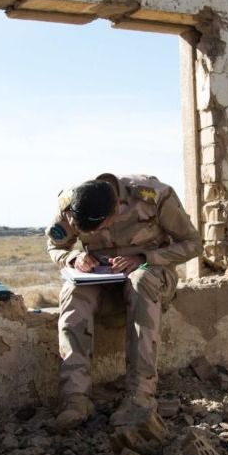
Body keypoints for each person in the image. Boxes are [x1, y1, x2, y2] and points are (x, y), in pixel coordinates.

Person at [46, 173, 202, 431]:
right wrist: (74, 259)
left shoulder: (154, 196)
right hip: (101, 279)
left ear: (117, 208)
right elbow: (55, 246)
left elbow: (193, 244)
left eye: (100, 227)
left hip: (150, 272)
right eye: (89, 231)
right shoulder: (72, 204)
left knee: (140, 280)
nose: (96, 234)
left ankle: (140, 397)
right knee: (73, 292)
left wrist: (144, 257)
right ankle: (75, 399)